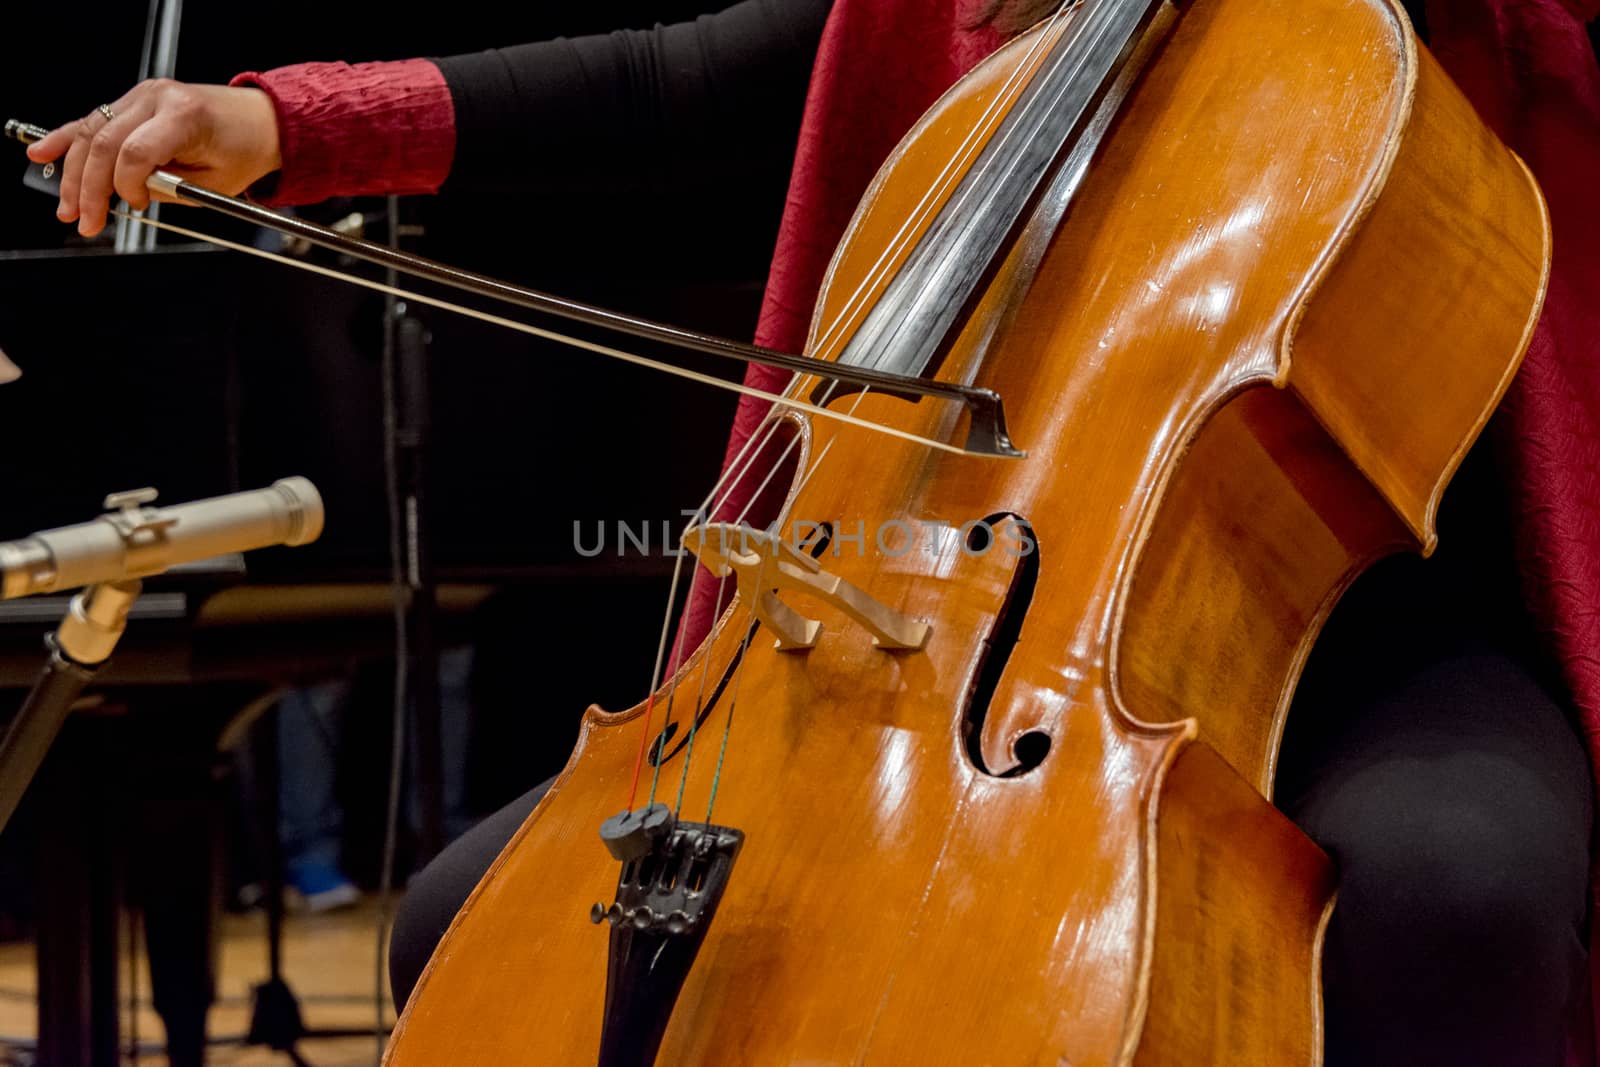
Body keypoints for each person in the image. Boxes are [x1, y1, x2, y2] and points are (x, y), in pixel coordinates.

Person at [28, 1, 1600, 1063]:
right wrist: (285, 123)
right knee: (470, 923)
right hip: (972, 614)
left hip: (1376, 602)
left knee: (1457, 897)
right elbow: (678, 86)